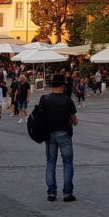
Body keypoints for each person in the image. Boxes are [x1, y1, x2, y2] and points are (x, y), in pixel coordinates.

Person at [41, 74, 78, 202]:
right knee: (67, 163)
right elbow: (75, 121)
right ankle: (67, 193)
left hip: (49, 134)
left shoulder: (45, 99)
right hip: (64, 134)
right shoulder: (67, 100)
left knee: (51, 162)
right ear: (62, 85)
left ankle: (52, 193)